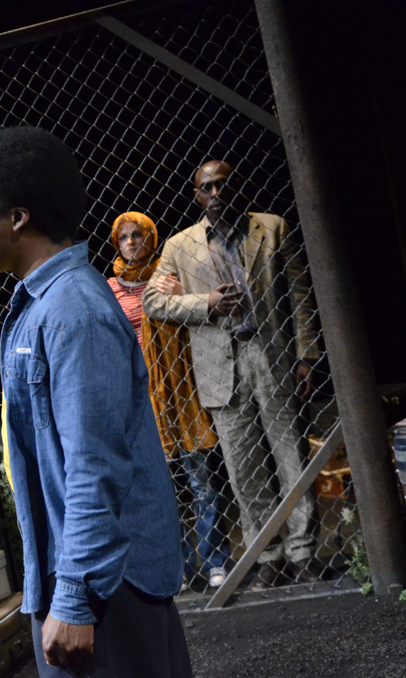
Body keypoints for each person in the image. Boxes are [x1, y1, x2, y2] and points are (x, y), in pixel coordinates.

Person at [0, 126, 191, 677]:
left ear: (17, 219)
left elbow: (94, 465)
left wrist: (74, 597)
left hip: (108, 588)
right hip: (82, 576)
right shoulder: (42, 305)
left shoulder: (74, 313)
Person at [142, 160, 320, 591]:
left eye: (222, 185)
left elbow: (300, 294)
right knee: (244, 470)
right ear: (196, 195)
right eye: (207, 188)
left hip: (270, 354)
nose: (216, 194)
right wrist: (204, 303)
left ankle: (302, 553)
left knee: (291, 456)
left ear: (236, 186)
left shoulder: (271, 228)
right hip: (218, 366)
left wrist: (306, 356)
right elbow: (152, 301)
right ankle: (268, 556)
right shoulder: (180, 246)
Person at [107, 211, 231, 590]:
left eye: (138, 235)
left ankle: (215, 560)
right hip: (139, 399)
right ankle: (177, 568)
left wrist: (180, 294)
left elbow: (195, 313)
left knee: (201, 481)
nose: (131, 242)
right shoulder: (109, 288)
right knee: (161, 489)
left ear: (151, 237)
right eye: (124, 237)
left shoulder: (168, 277)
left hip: (180, 392)